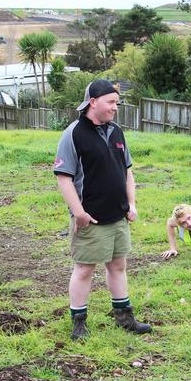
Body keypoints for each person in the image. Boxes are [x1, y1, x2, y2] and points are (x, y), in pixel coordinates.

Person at [54, 79, 152, 340]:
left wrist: (131, 204)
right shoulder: (73, 134)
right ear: (93, 102)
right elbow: (64, 177)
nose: (115, 108)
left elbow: (128, 171)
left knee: (118, 265)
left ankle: (124, 317)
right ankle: (78, 321)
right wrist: (79, 213)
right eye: (111, 102)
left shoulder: (117, 131)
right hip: (90, 218)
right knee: (85, 269)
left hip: (118, 215)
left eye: (116, 103)